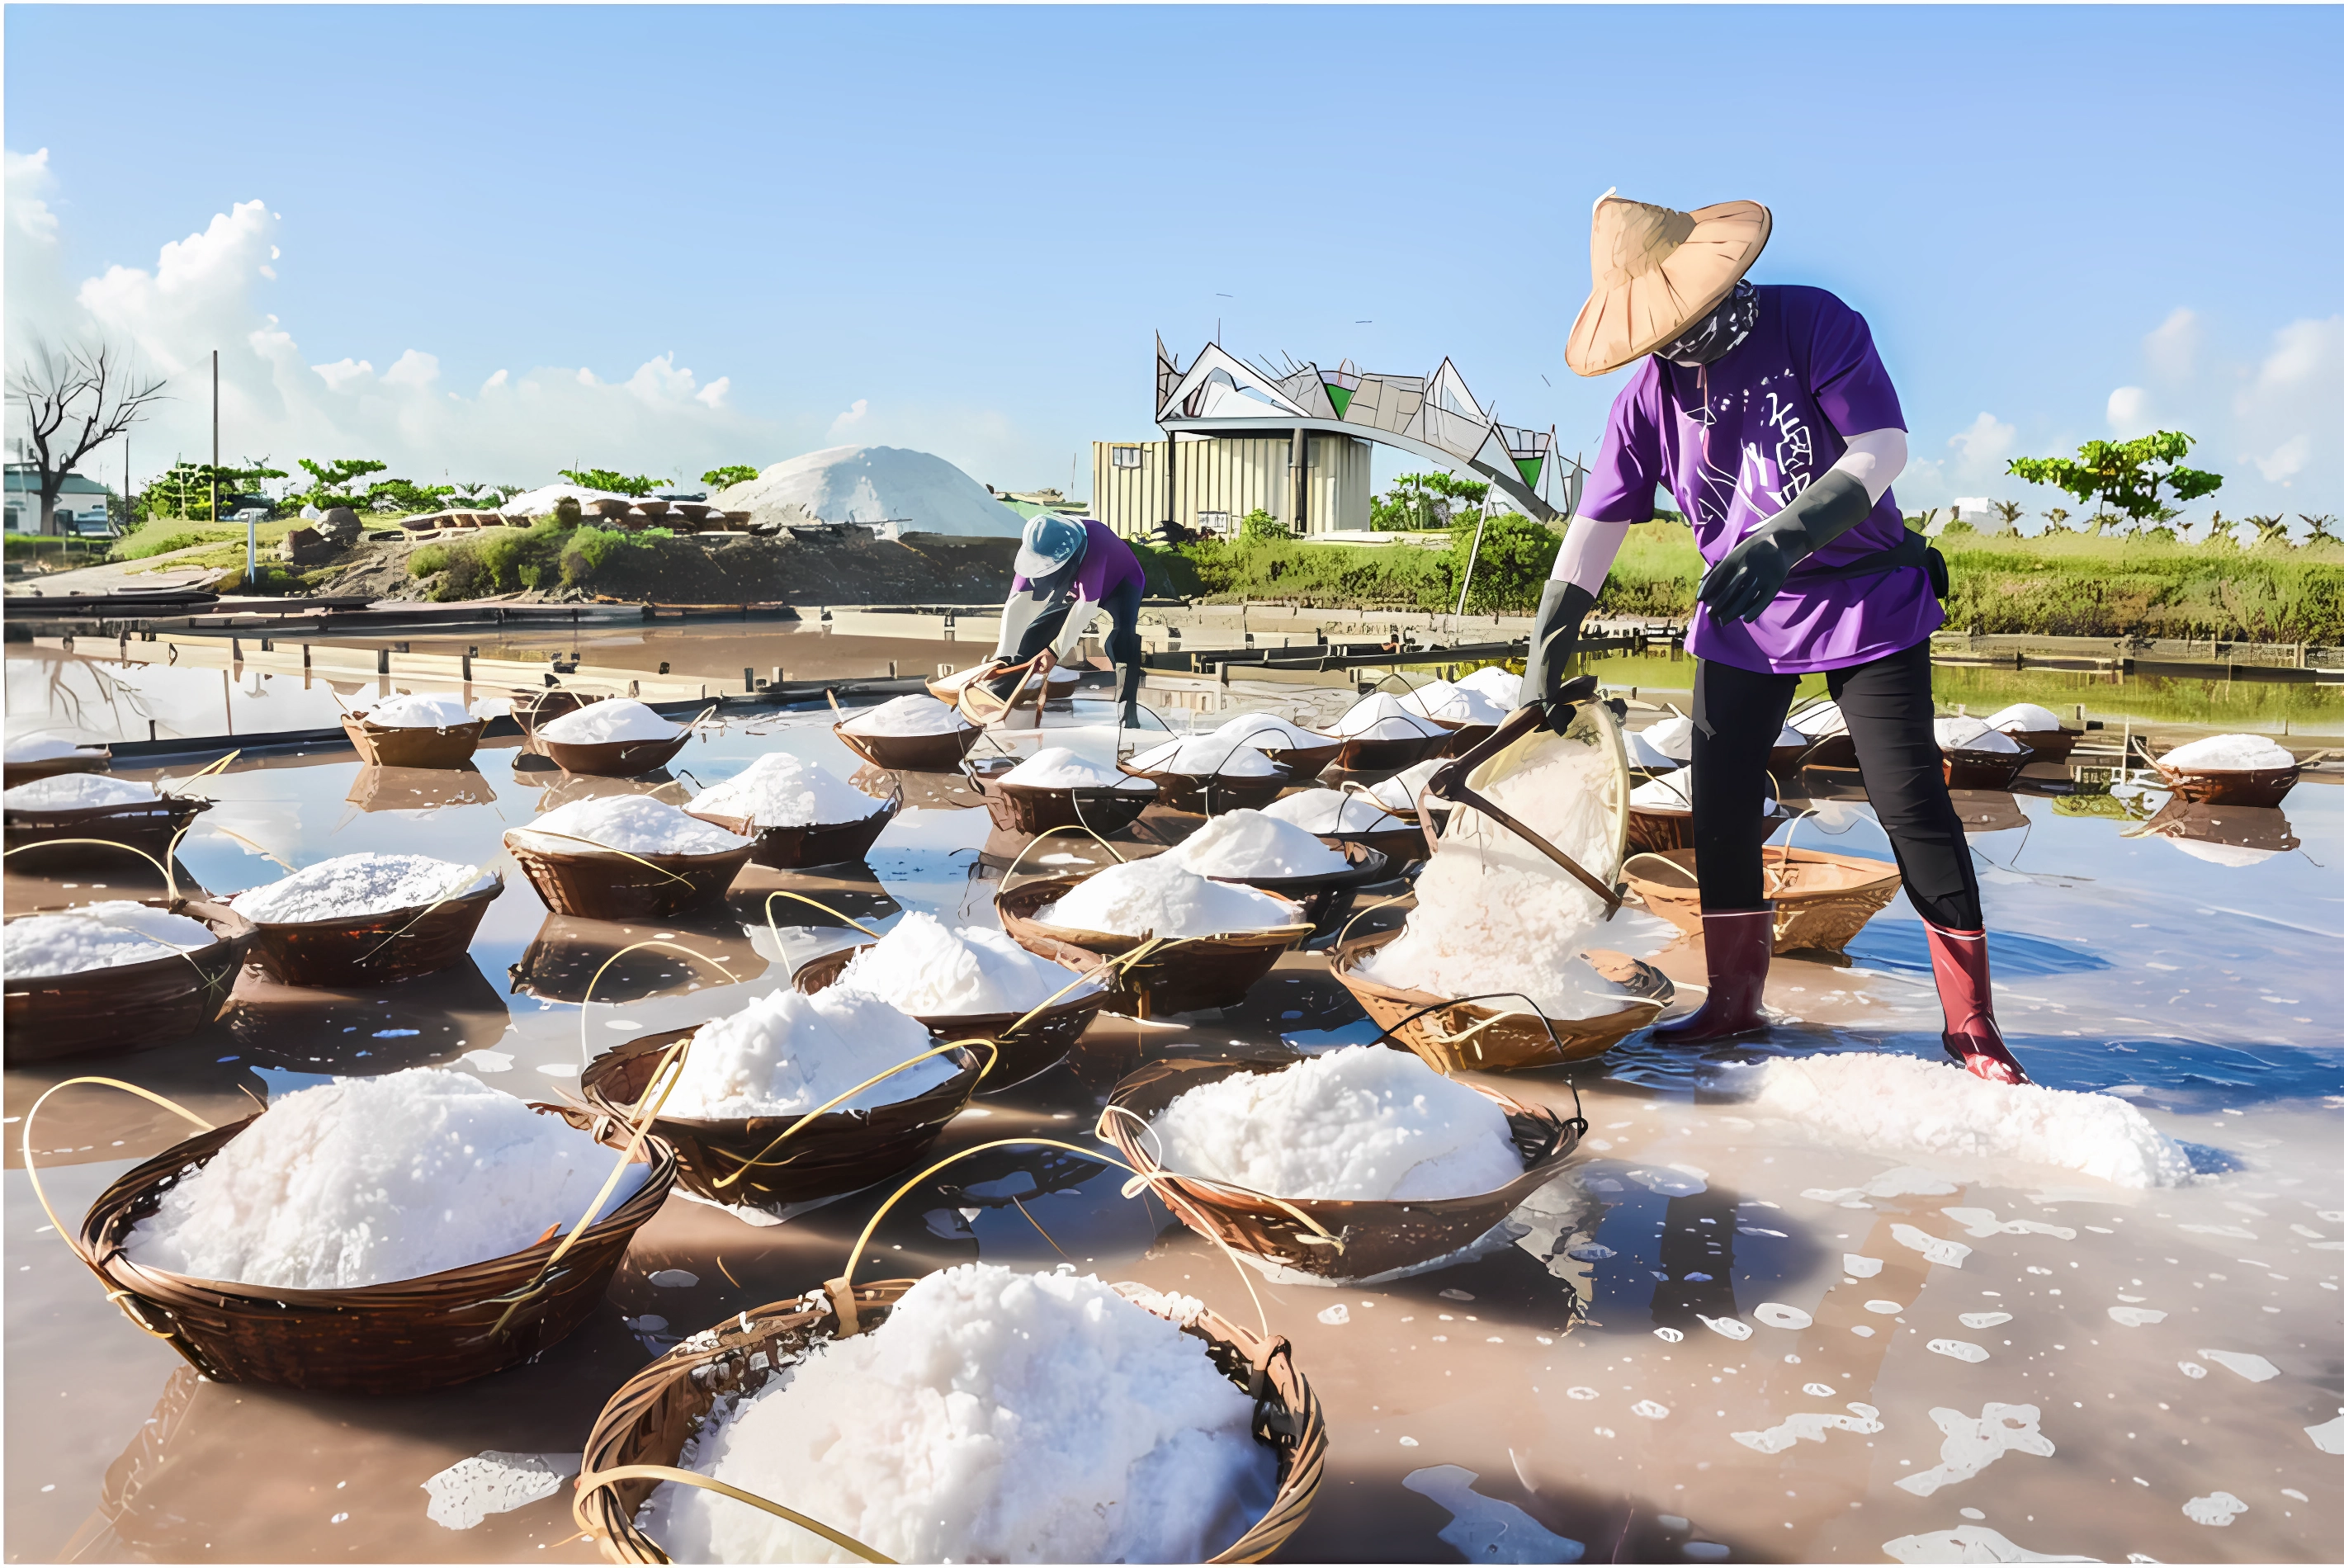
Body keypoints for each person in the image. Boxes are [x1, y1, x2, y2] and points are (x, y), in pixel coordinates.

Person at [1524, 191, 2027, 1086]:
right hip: (1742, 611)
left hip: (1864, 596)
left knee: (1906, 797)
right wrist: (1547, 641)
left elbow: (1878, 450)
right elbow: (1597, 521)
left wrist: (1782, 537)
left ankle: (1970, 1023)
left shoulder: (1810, 323)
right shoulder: (1650, 394)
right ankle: (1730, 1000)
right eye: (1653, 334)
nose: (1670, 344)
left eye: (1679, 319)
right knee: (1717, 803)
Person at [985, 513, 1149, 726]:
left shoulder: (1096, 543)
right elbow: (1018, 604)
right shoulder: (1037, 548)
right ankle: (999, 695)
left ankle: (1128, 711)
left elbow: (1086, 606)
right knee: (1035, 634)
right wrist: (1003, 655)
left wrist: (1055, 651)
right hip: (1076, 585)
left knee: (1120, 641)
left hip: (1123, 582)